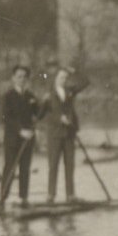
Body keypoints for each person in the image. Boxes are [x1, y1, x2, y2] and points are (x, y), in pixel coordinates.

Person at [0, 64, 42, 213]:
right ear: (13, 78)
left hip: (28, 139)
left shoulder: (30, 96)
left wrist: (44, 105)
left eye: (24, 77)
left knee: (25, 168)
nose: (21, 79)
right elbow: (6, 118)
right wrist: (20, 130)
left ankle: (24, 198)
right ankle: (3, 198)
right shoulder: (8, 96)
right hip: (13, 139)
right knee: (10, 167)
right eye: (19, 76)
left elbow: (38, 114)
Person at [44, 66, 83, 204]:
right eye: (61, 77)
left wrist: (74, 71)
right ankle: (51, 195)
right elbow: (44, 115)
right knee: (53, 165)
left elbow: (85, 82)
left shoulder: (69, 92)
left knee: (70, 165)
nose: (63, 80)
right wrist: (59, 119)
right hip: (54, 134)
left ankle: (70, 194)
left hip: (69, 133)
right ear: (55, 79)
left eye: (66, 78)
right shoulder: (48, 95)